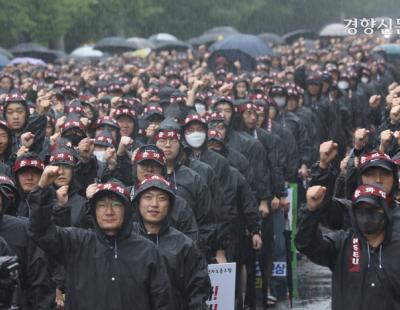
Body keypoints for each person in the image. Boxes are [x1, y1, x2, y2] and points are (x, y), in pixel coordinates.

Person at [29, 166, 173, 310]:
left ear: (127, 211)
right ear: (93, 211)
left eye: (116, 205)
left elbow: (163, 302)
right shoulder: (76, 242)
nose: (109, 211)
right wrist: (41, 188)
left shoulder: (147, 251)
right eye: (102, 205)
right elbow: (40, 232)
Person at [296, 183, 400, 310]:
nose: (366, 215)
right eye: (360, 210)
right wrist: (310, 212)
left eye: (372, 208)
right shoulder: (341, 243)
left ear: (385, 211)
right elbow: (307, 244)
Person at [132, 175, 211, 310]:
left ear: (170, 205)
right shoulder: (125, 240)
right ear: (138, 202)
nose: (154, 204)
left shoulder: (184, 245)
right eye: (148, 197)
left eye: (162, 198)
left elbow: (198, 291)